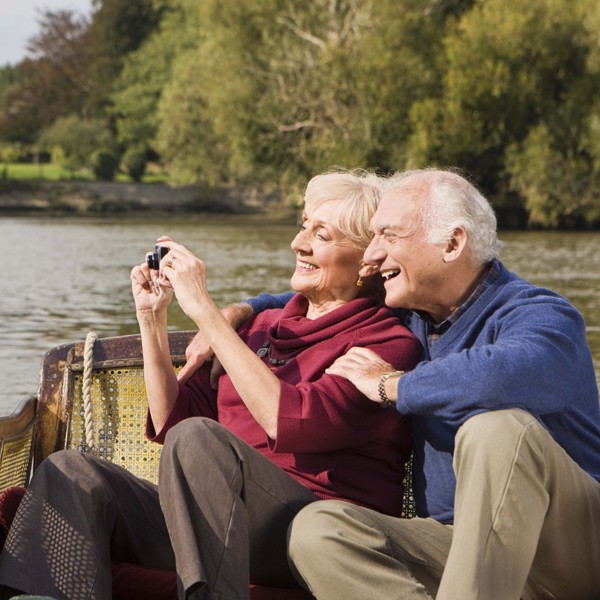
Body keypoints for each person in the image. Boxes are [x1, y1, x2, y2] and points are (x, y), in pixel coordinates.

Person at [0, 170, 420, 599]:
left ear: (368, 260)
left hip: (307, 537)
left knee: (199, 438)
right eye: (303, 224)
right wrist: (153, 318)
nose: (299, 243)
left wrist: (205, 310)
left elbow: (291, 420)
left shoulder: (387, 344)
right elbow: (173, 419)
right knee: (71, 471)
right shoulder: (260, 327)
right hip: (208, 522)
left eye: (323, 235)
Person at [247, 168, 600, 599]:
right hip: (459, 548)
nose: (371, 255)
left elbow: (502, 373)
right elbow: (330, 287)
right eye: (372, 237)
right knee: (318, 529)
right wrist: (247, 309)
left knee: (496, 428)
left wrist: (393, 386)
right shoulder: (405, 312)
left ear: (452, 244)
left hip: (572, 549)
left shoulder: (542, 314)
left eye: (389, 237)